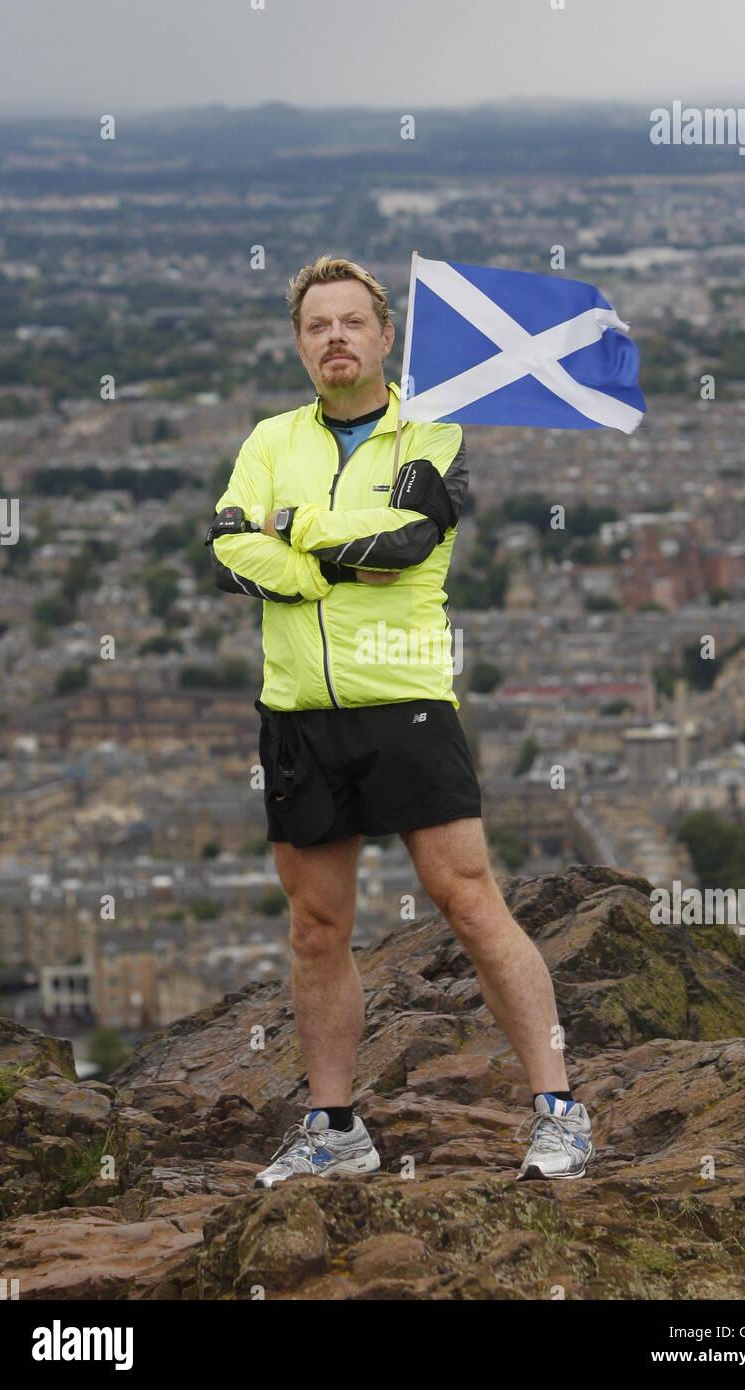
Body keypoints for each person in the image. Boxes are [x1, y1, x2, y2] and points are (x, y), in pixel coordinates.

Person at [205, 255, 594, 1185]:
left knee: (466, 897)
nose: (334, 337)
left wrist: (290, 532)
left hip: (408, 700)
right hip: (299, 710)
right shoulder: (269, 439)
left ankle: (558, 1109)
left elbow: (410, 541)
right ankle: (336, 1127)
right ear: (300, 343)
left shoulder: (434, 431)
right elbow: (227, 548)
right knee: (316, 923)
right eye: (316, 326)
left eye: (351, 322)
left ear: (386, 336)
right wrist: (323, 554)